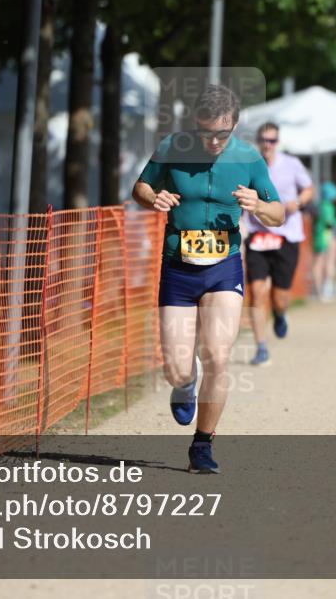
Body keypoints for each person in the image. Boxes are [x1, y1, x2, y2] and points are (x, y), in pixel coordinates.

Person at [132, 84, 284, 474]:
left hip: (224, 267)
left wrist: (259, 206)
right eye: (206, 133)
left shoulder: (249, 158)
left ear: (234, 125)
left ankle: (203, 444)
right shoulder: (172, 147)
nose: (214, 141)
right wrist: (154, 199)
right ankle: (184, 386)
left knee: (218, 356)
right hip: (178, 268)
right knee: (178, 368)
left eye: (222, 133)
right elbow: (141, 187)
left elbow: (279, 213)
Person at [243, 122, 314, 367]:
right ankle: (261, 347)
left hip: (287, 236)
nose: (267, 145)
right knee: (257, 291)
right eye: (263, 139)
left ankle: (280, 314)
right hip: (258, 236)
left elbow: (309, 189)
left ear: (277, 142)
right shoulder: (249, 164)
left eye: (272, 140)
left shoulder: (291, 164)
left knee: (280, 297)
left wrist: (298, 202)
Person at [311, 181, 336, 300]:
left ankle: (320, 289)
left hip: (319, 236)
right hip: (326, 236)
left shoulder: (320, 205)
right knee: (325, 262)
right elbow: (329, 224)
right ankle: (323, 288)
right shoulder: (328, 206)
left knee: (320, 262)